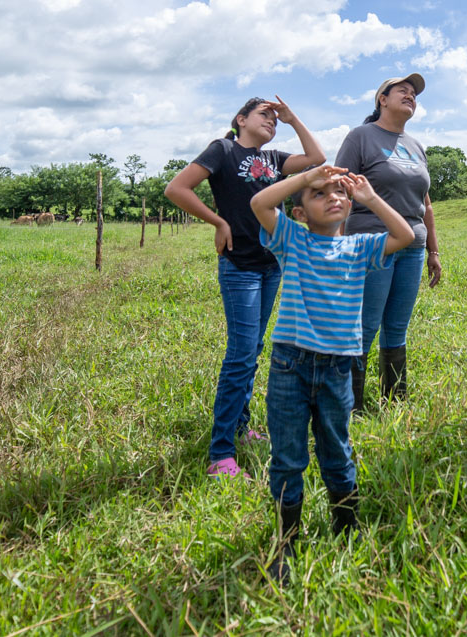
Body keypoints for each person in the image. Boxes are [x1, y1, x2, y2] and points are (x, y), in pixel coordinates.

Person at [250, 164, 414, 584]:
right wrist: (306, 178)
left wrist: (371, 198)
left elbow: (406, 237)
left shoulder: (360, 247)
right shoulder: (293, 239)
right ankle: (286, 540)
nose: (334, 198)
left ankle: (347, 529)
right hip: (290, 364)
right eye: (321, 194)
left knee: (337, 451)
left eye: (340, 192)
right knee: (288, 457)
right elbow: (260, 202)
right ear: (301, 212)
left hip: (339, 366)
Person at [165, 97, 325, 478]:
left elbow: (316, 158)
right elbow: (177, 189)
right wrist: (218, 222)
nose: (271, 120)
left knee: (253, 348)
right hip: (240, 266)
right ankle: (221, 452)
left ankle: (240, 427)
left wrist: (292, 117)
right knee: (240, 355)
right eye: (264, 115)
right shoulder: (223, 150)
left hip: (272, 264)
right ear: (240, 120)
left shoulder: (274, 159)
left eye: (274, 117)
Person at [334, 74, 441, 411]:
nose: (411, 96)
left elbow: (426, 203)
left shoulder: (416, 145)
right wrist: (335, 246)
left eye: (414, 94)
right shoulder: (361, 137)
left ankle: (394, 402)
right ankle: (350, 405)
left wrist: (433, 250)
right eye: (403, 91)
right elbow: (339, 191)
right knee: (365, 324)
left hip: (413, 246)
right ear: (382, 99)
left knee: (397, 325)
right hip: (373, 242)